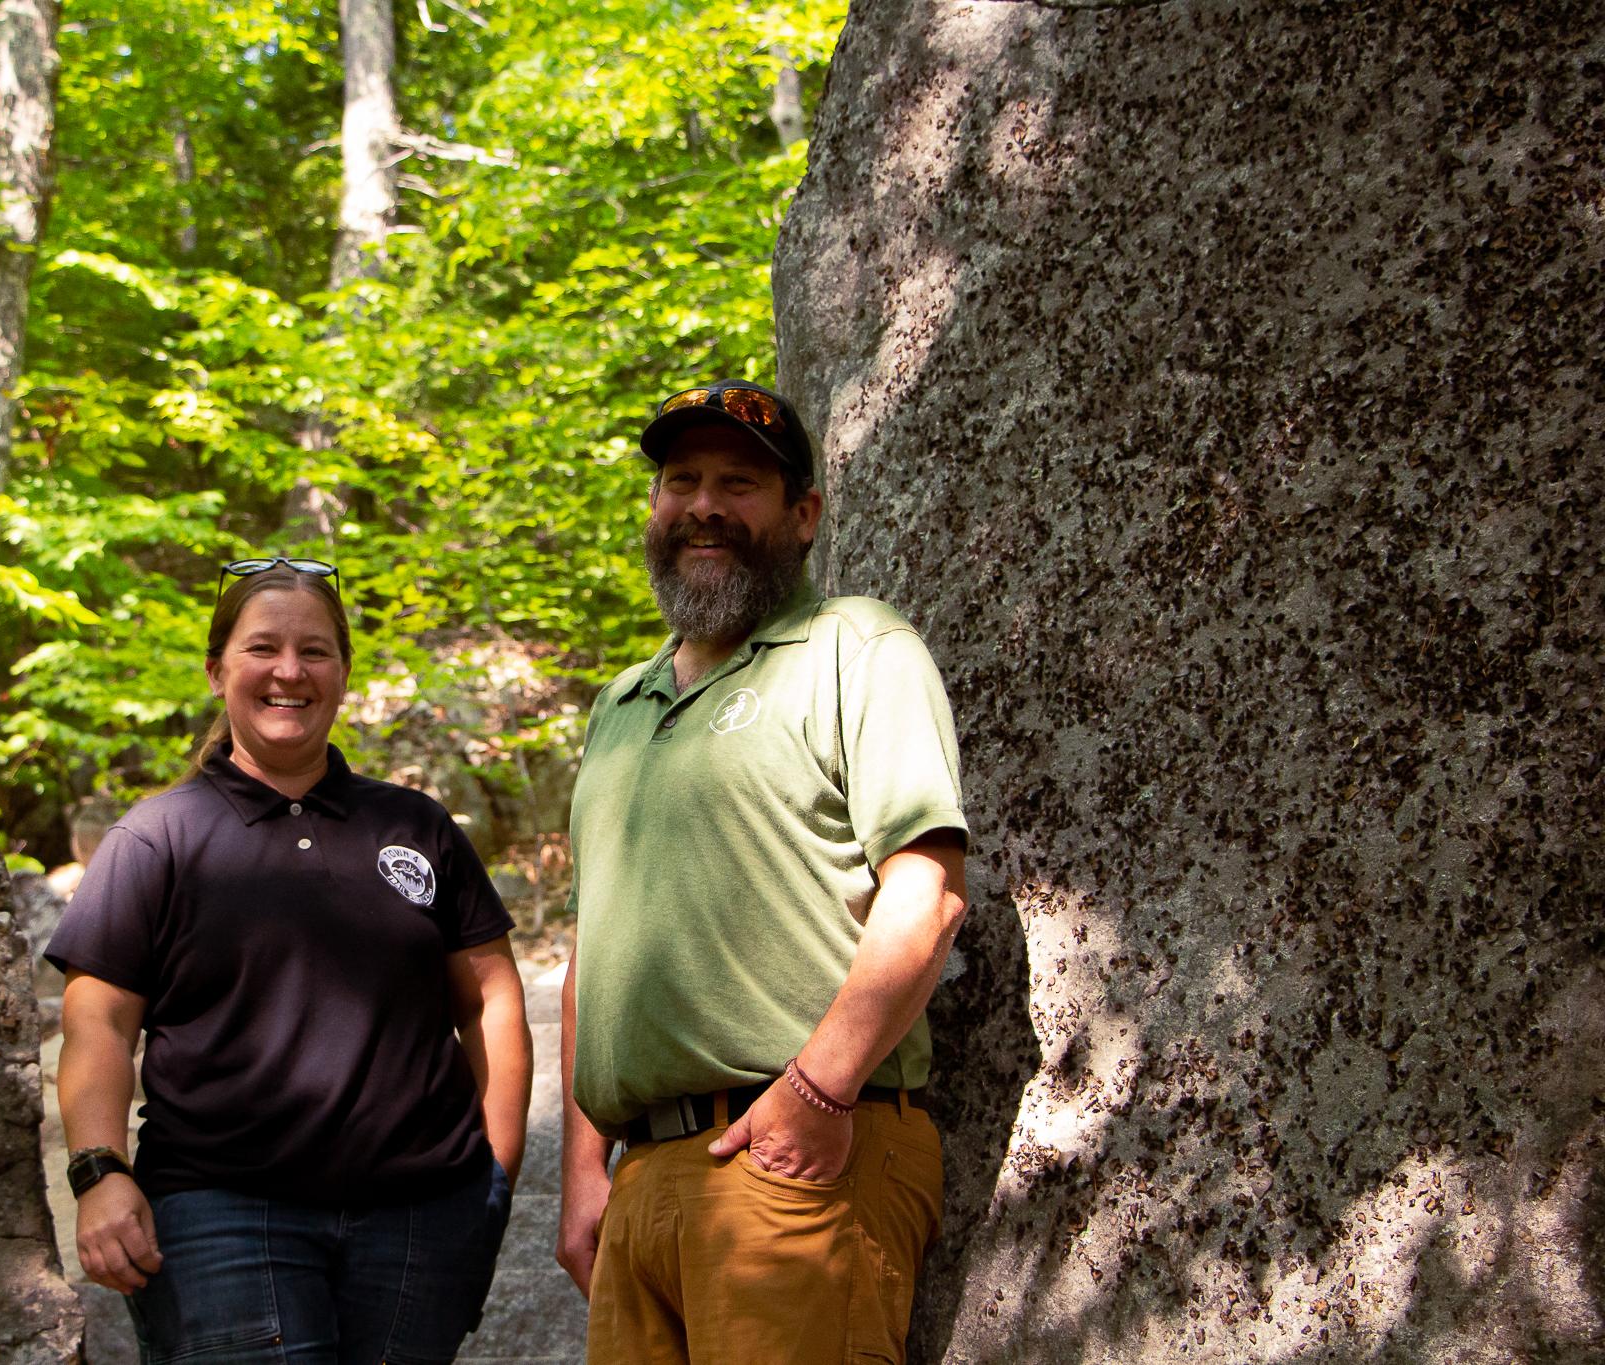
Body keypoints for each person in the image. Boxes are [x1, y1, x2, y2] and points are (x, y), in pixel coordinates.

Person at [555, 380, 970, 1363]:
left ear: (803, 513)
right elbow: (594, 948)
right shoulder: (619, 705)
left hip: (799, 1152)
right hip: (642, 1183)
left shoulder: (855, 647)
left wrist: (816, 1094)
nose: (702, 505)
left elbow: (927, 892)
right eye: (679, 480)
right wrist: (582, 1173)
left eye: (738, 483)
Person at [47, 557, 531, 1365]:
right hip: (219, 1220)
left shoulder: (416, 826)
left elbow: (490, 1000)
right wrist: (100, 1170)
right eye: (263, 647)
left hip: (421, 1220)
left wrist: (493, 1177)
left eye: (315, 651)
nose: (289, 671)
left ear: (342, 673)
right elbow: (96, 1019)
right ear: (217, 670)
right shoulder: (156, 838)